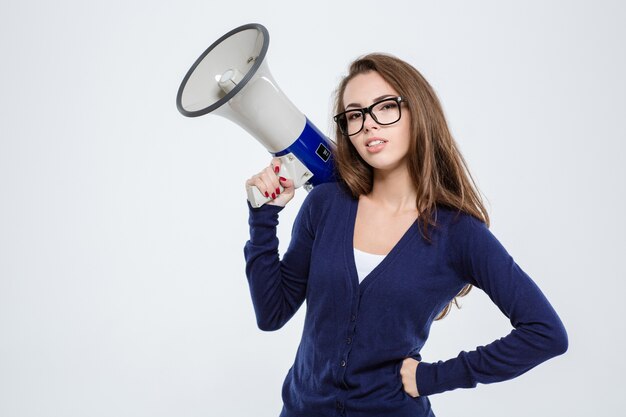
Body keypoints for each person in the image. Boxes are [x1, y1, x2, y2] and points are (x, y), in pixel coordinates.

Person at [243, 53, 568, 417]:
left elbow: (545, 333)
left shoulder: (459, 233)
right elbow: (271, 313)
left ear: (419, 113)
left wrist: (434, 378)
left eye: (385, 107)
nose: (368, 125)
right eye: (354, 115)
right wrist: (263, 219)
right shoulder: (325, 204)